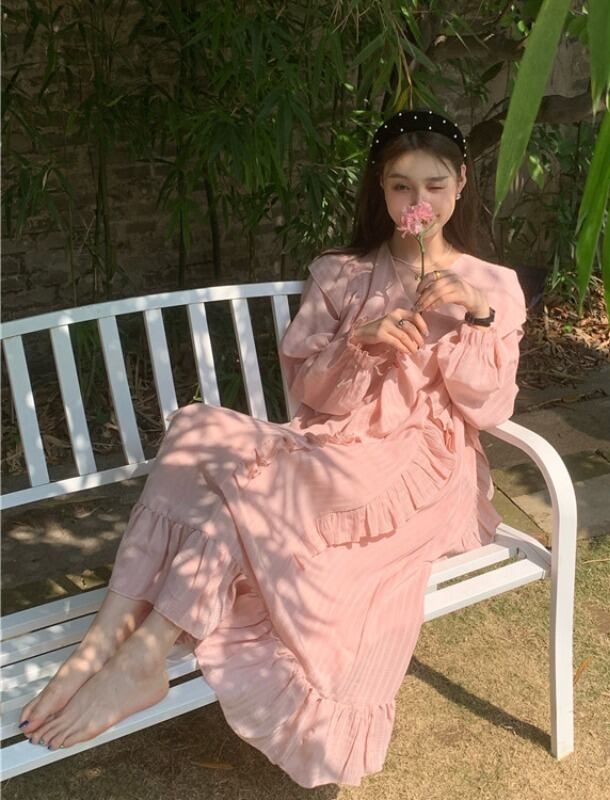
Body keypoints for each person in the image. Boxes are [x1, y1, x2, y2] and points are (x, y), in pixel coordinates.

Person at [17, 108, 527, 788]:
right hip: (331, 442)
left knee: (251, 489)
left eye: (435, 186)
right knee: (197, 431)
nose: (419, 202)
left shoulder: (492, 286)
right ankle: (105, 641)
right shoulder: (342, 273)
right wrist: (360, 341)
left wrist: (476, 316)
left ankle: (143, 655)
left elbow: (489, 408)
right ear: (381, 189)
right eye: (402, 186)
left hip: (418, 469)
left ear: (461, 182)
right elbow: (313, 396)